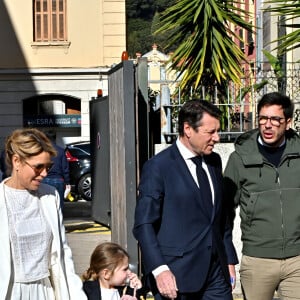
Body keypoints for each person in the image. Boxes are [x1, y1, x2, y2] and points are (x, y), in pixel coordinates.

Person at [133, 99, 238, 300]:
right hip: (176, 277)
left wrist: (229, 260)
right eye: (210, 132)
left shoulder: (214, 161)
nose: (217, 138)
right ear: (188, 129)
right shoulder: (159, 167)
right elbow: (144, 224)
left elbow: (220, 217)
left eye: (218, 131)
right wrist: (159, 269)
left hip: (216, 276)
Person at [223, 92, 300, 300]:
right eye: (263, 118)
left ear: (288, 122)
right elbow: (224, 211)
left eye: (275, 119)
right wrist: (228, 256)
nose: (268, 125)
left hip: (297, 261)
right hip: (257, 259)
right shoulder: (239, 158)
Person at [0, 128, 87, 300]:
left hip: (46, 291)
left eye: (48, 166)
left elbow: (63, 252)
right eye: (38, 167)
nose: (45, 173)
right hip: (9, 292)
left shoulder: (50, 196)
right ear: (16, 161)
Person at [43, 130, 71, 211]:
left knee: (45, 205)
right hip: (58, 180)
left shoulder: (42, 151)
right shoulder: (61, 151)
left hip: (44, 180)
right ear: (55, 138)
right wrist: (67, 182)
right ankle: (59, 222)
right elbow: (65, 168)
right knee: (59, 205)